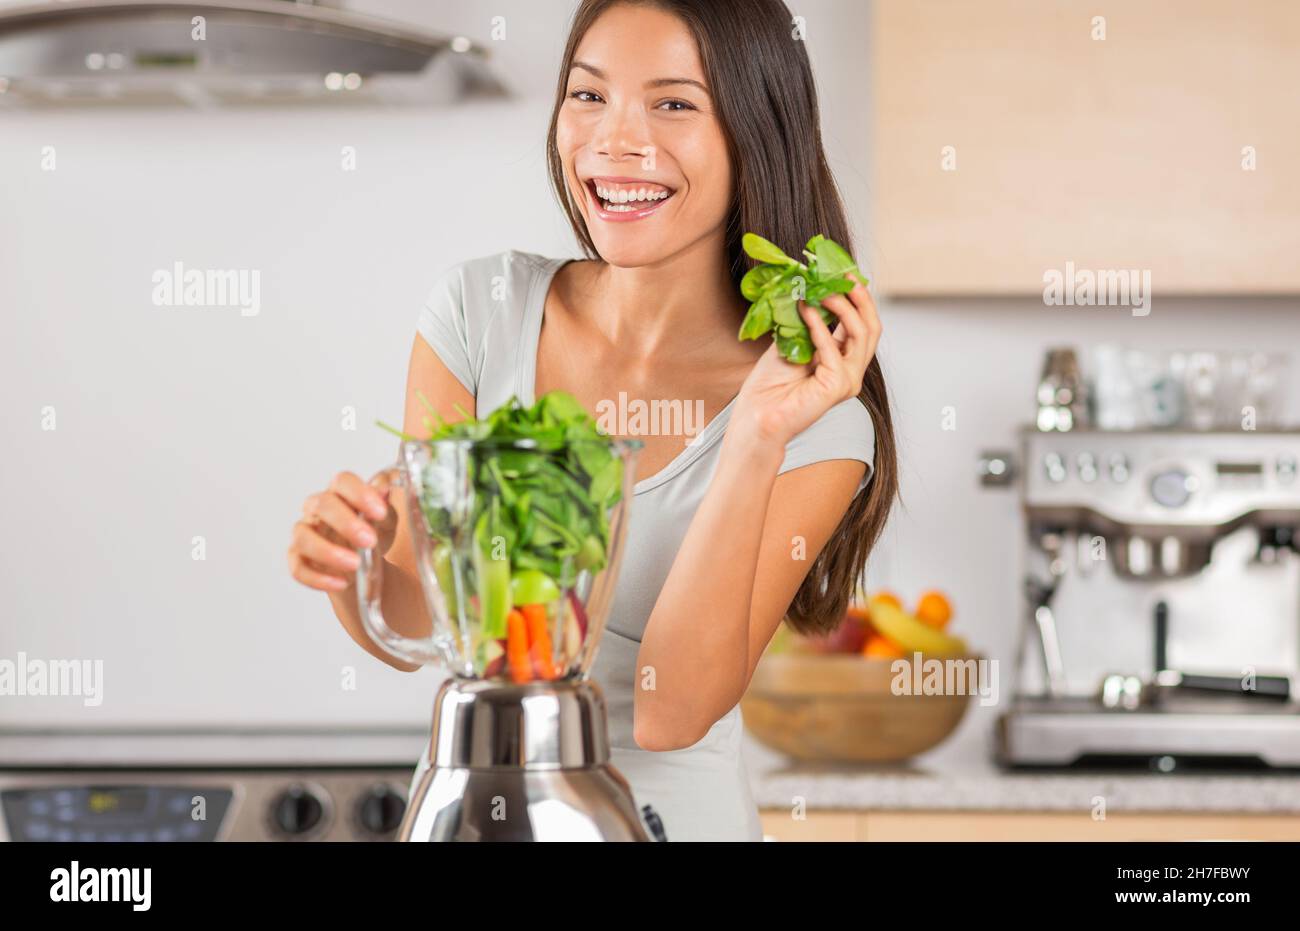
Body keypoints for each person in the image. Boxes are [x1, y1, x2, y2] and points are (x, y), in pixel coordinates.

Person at [286, 0, 897, 841]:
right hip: (479, 817)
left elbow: (671, 711)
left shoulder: (817, 419)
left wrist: (756, 435)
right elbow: (420, 624)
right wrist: (352, 562)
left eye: (674, 103)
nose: (616, 140)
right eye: (588, 96)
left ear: (758, 131)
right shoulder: (478, 312)